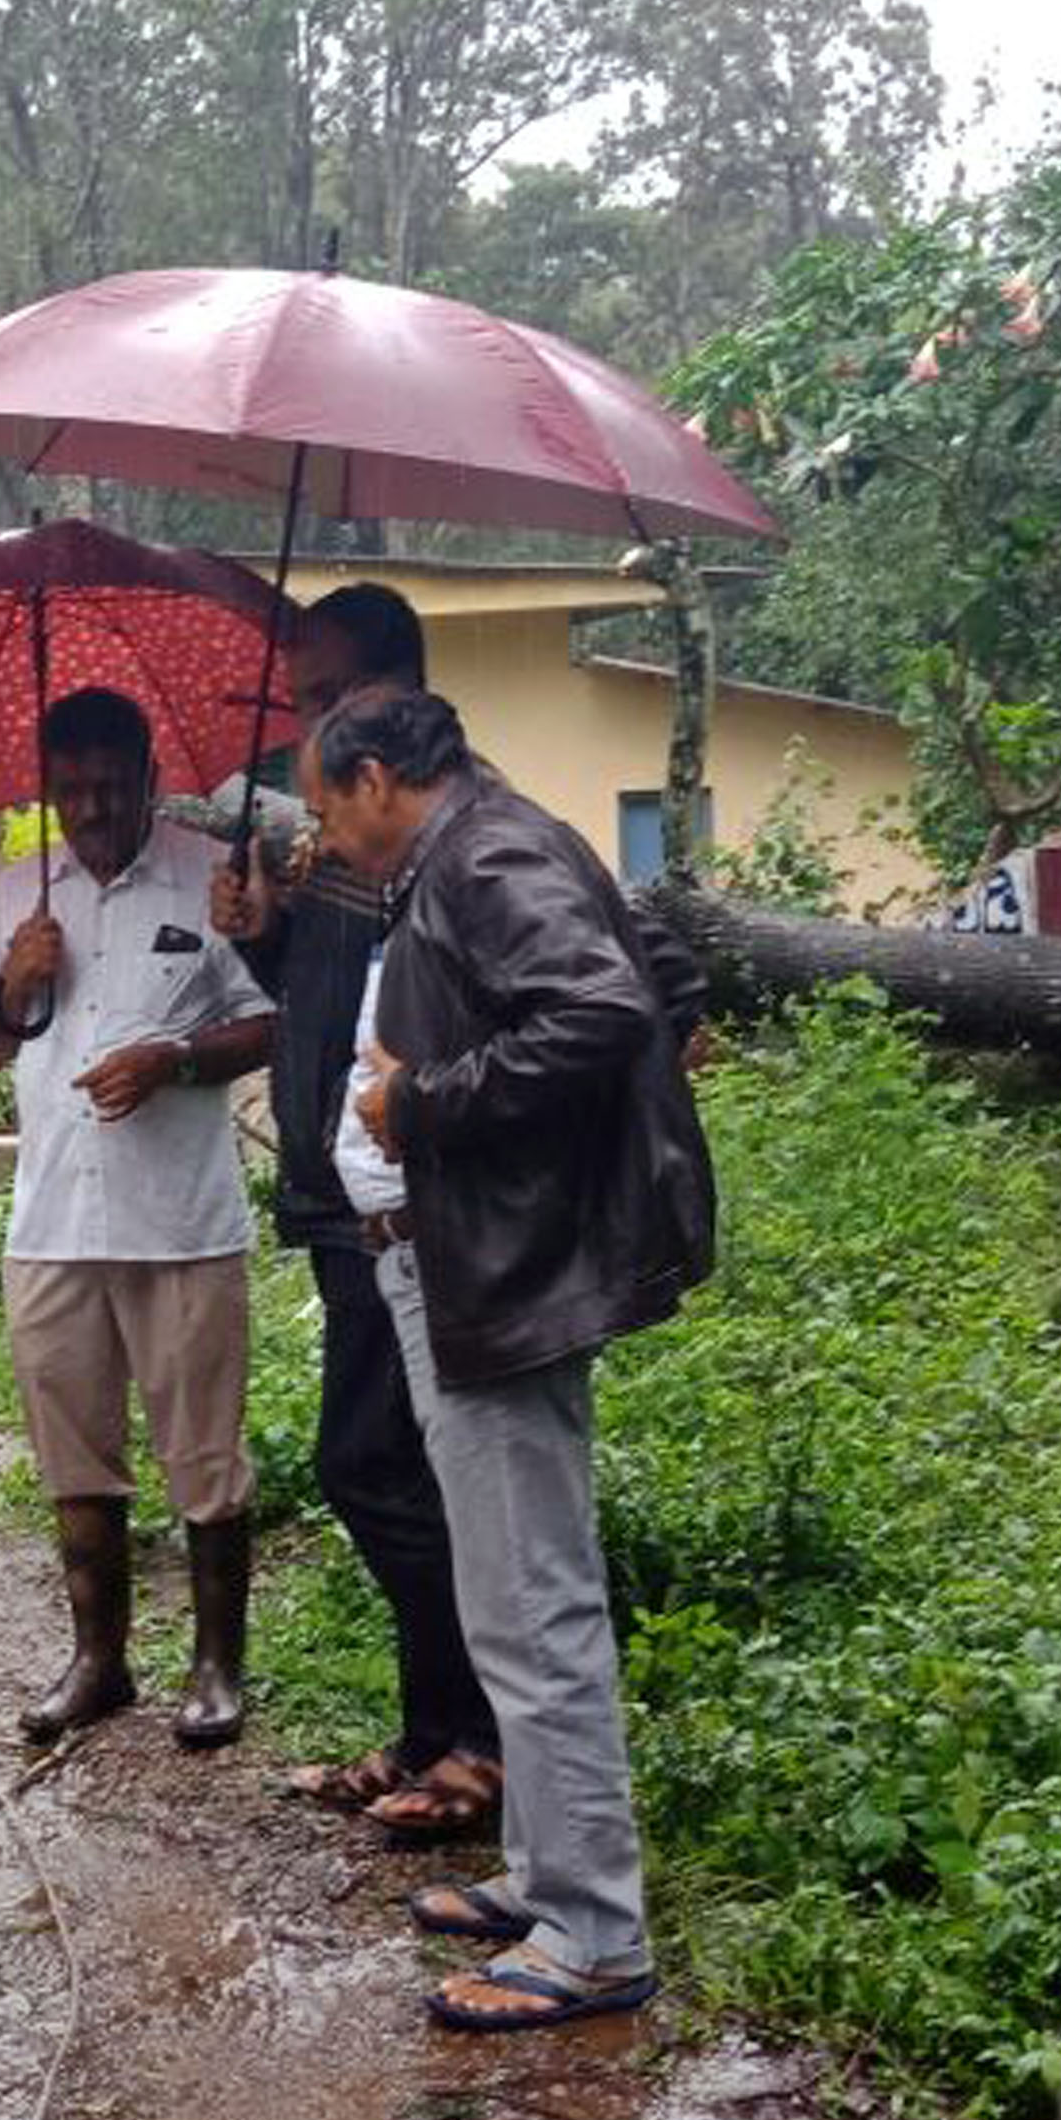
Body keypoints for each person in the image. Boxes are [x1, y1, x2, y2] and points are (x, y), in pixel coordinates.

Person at [304, 684, 715, 2034]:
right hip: (479, 1260)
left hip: (508, 1267)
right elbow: (656, 975)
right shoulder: (485, 845)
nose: (329, 837)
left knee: (535, 1608)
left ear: (374, 777)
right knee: (509, 1595)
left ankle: (594, 1933)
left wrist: (415, 1102)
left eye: (326, 807)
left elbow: (598, 1011)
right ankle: (547, 1876)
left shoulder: (485, 853)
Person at [208, 586, 502, 1843]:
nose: (307, 728)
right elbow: (331, 1001)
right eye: (300, 701)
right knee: (382, 1463)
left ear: (397, 694)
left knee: (385, 1463)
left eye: (328, 697)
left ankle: (482, 1741)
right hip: (340, 1200)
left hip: (412, 1208)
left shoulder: (444, 834)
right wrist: (269, 940)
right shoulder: (336, 838)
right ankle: (433, 1726)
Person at [0, 689, 278, 1750]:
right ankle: (98, 1662)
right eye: (72, 788)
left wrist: (176, 1060)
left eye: (111, 785)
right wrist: (12, 985)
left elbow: (271, 1023)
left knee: (204, 1456)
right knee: (75, 1457)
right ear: (48, 787)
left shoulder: (212, 878)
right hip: (51, 1223)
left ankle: (216, 1668)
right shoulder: (19, 890)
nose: (92, 807)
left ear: (149, 777)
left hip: (182, 1223)